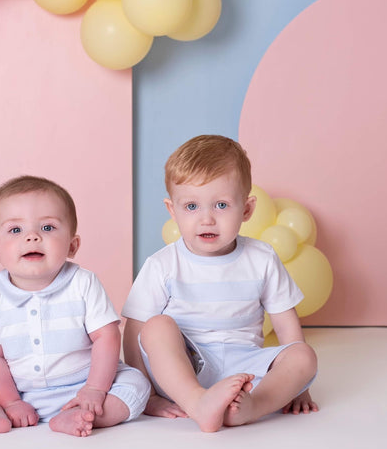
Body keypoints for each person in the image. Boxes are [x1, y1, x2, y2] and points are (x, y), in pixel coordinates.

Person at [122, 135, 318, 433]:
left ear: (247, 210)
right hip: (183, 367)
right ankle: (198, 401)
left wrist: (297, 385)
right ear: (172, 210)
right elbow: (135, 331)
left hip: (247, 366)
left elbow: (286, 325)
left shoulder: (261, 258)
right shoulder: (163, 264)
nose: (207, 219)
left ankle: (254, 404)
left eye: (222, 205)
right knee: (156, 326)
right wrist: (146, 393)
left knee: (303, 355)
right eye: (191, 207)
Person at [0, 175, 150, 437]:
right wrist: (11, 401)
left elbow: (107, 337)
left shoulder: (82, 283)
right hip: (15, 388)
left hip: (82, 385)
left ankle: (81, 416)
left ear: (72, 245)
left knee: (136, 383)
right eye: (15, 230)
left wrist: (95, 389)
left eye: (47, 228)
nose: (32, 237)